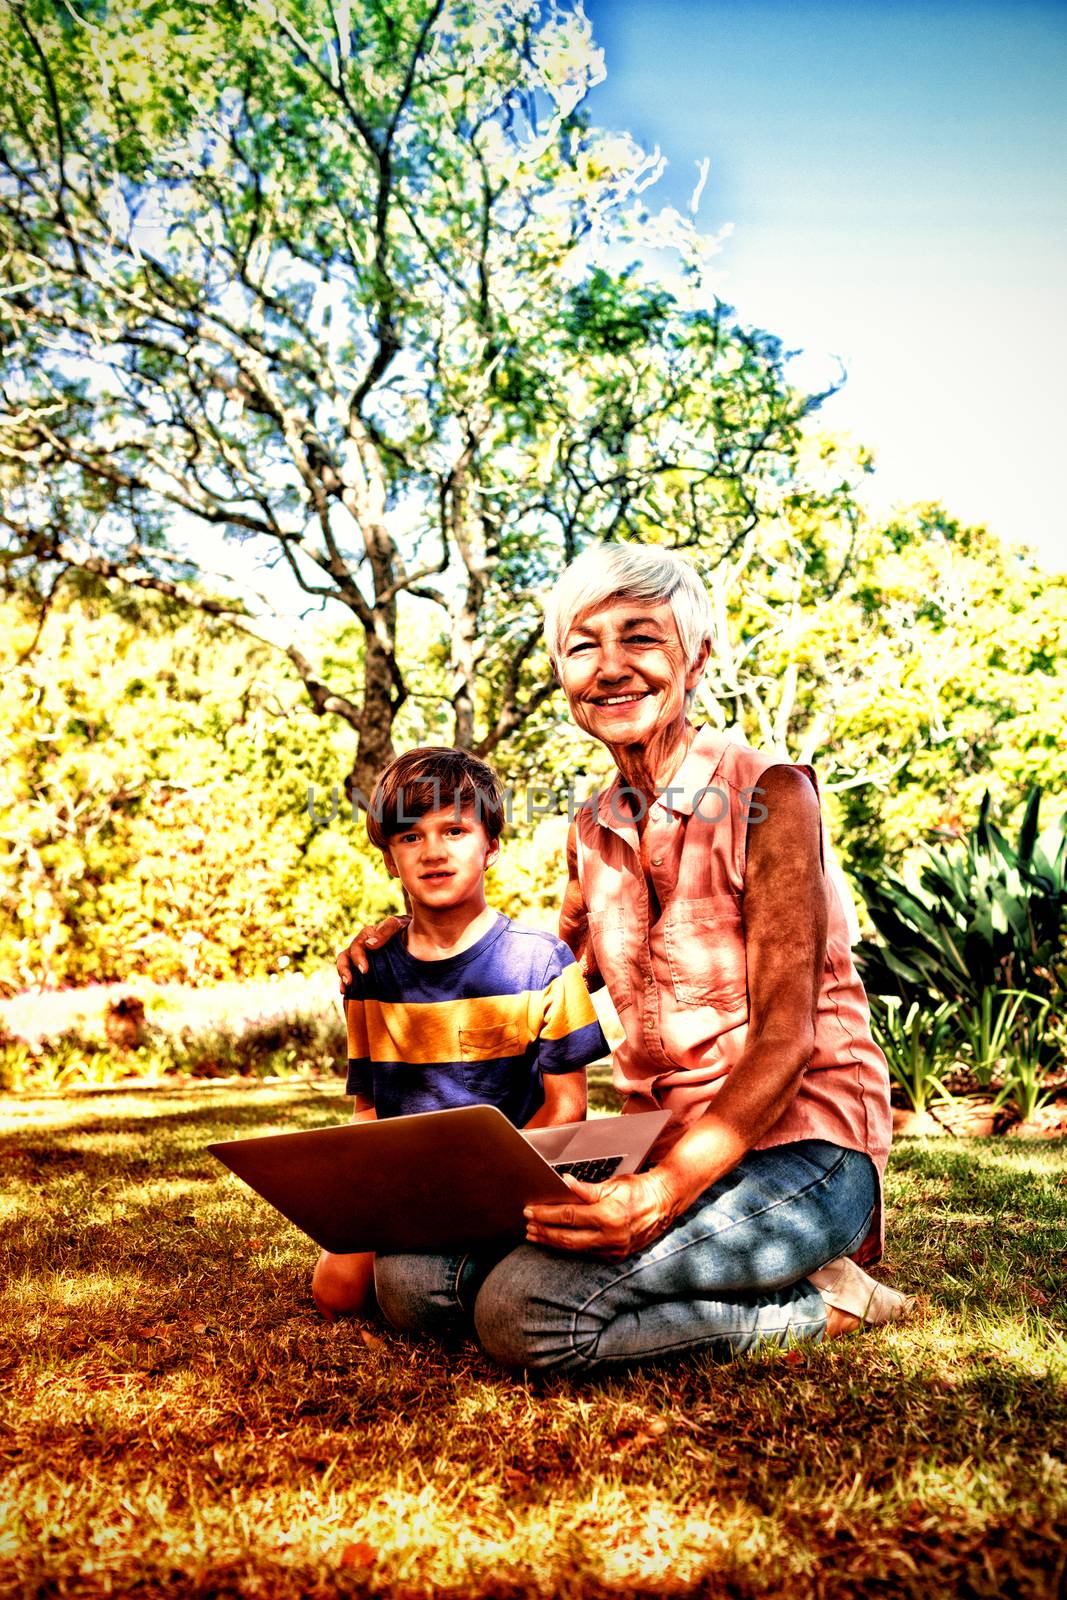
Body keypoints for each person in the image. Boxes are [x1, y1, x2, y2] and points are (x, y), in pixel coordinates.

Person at [337, 545, 913, 1373]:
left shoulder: (773, 797)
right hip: (652, 1137)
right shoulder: (591, 826)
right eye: (582, 646)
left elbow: (787, 1042)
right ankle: (710, 1269)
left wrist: (658, 1194)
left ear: (696, 659)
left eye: (641, 639)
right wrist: (411, 934)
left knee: (526, 1314)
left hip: (800, 1149)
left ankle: (824, 1301)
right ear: (562, 676)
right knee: (412, 1282)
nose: (610, 668)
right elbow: (538, 971)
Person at [313, 745, 608, 1322]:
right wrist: (367, 1200)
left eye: (454, 830)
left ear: (491, 846)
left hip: (515, 1180)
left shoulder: (542, 961)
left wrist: (480, 1185)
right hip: (414, 1190)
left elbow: (568, 1109)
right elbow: (368, 1114)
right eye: (410, 837)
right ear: (391, 860)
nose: (434, 853)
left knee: (417, 1294)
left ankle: (498, 1285)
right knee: (337, 1291)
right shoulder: (370, 974)